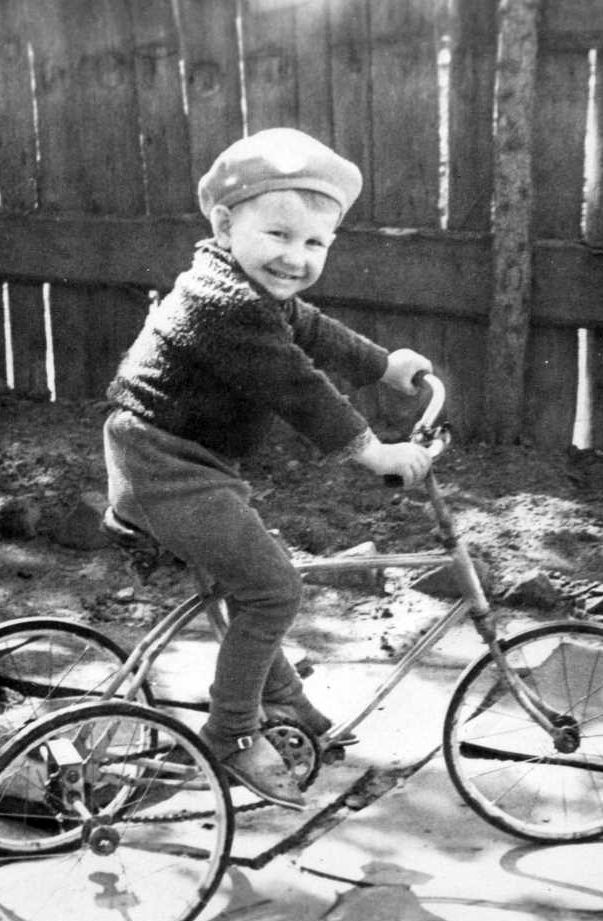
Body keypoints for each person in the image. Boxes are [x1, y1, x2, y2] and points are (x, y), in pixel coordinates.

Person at [104, 127, 434, 810]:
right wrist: (374, 452)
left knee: (255, 575)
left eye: (314, 243)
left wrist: (383, 365)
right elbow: (297, 385)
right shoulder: (221, 304)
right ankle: (229, 734)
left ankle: (285, 701)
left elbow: (310, 329)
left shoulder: (252, 291)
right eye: (278, 235)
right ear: (225, 226)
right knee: (274, 589)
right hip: (165, 466)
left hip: (185, 461)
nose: (295, 257)